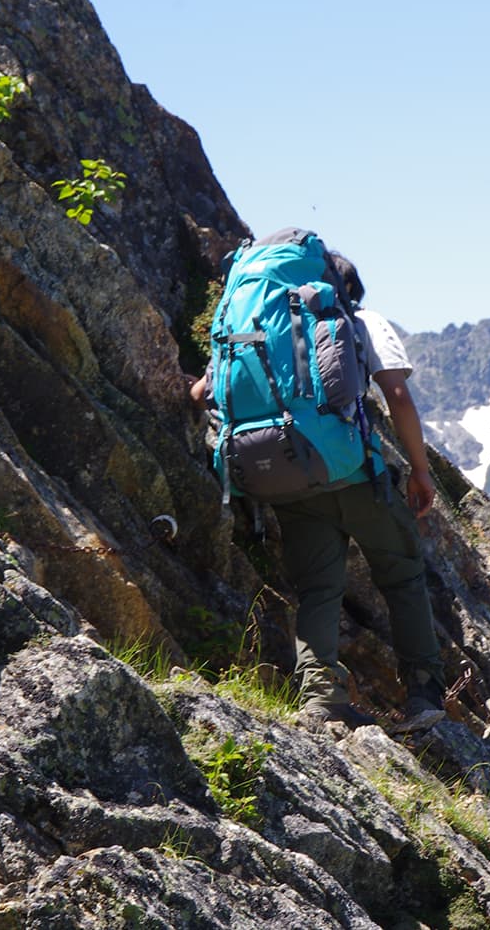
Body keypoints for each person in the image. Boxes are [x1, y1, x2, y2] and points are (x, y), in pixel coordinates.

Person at [190, 248, 446, 736]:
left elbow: (203, 392)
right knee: (402, 574)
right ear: (343, 290)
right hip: (353, 475)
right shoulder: (359, 320)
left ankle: (321, 701)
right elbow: (397, 396)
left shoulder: (258, 322)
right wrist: (419, 470)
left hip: (281, 476)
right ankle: (423, 695)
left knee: (318, 589)